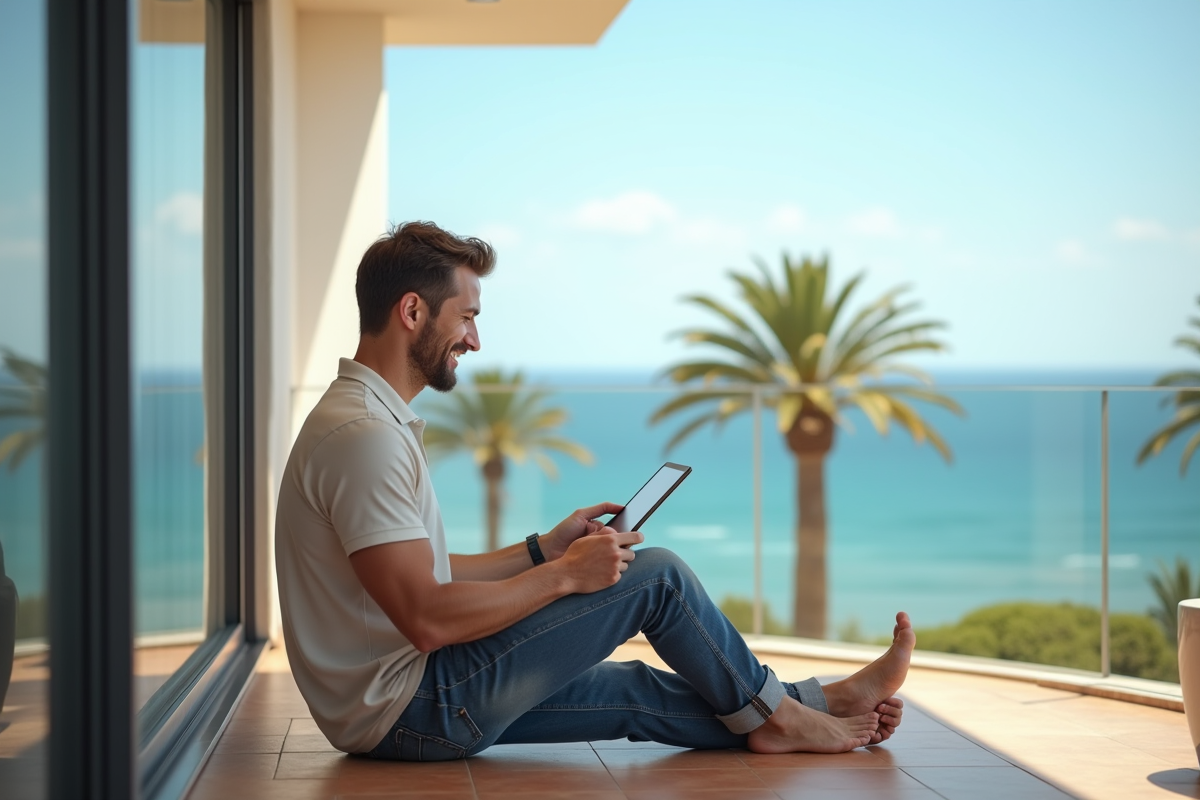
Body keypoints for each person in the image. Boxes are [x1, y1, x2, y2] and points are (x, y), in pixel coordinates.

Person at [274, 221, 916, 762]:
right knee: (657, 576)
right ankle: (779, 720)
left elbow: (425, 578)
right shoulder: (365, 437)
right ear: (412, 312)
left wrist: (544, 552)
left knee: (633, 691)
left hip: (393, 707)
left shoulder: (364, 418)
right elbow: (425, 617)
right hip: (417, 706)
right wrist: (567, 578)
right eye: (467, 317)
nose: (475, 339)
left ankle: (818, 702)